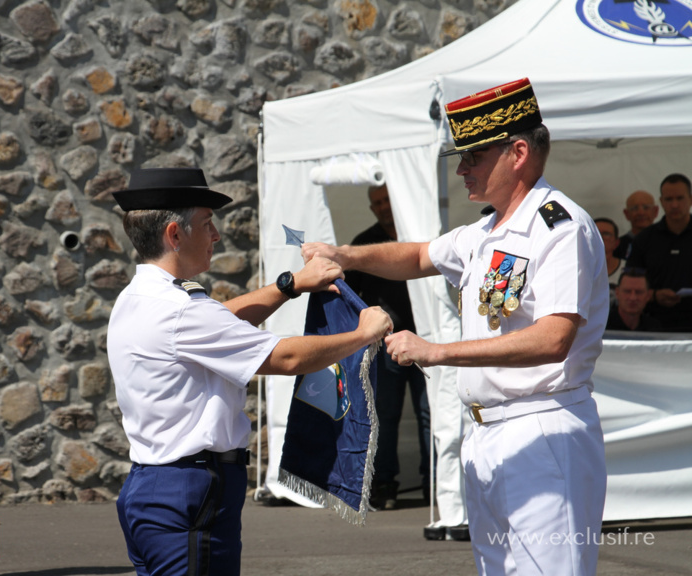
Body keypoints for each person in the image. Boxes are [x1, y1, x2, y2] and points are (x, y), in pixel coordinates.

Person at [302, 78, 609, 576]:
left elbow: (555, 338)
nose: (462, 169)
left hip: (541, 429)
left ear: (518, 152)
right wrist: (344, 255)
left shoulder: (559, 227)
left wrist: (437, 351)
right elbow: (419, 254)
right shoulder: (487, 230)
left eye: (474, 157)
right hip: (488, 431)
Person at [106, 167, 392, 576]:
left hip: (154, 486)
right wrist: (362, 334)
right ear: (175, 234)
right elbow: (286, 358)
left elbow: (218, 321)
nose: (217, 235)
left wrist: (290, 285)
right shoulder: (181, 310)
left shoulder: (139, 297)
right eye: (207, 224)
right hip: (188, 491)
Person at [346, 183, 430, 510]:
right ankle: (384, 485)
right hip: (387, 345)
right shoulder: (364, 244)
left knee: (429, 413)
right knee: (384, 415)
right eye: (376, 203)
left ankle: (434, 483)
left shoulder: (421, 233)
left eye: (386, 200)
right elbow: (350, 296)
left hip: (427, 340)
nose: (382, 207)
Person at [626, 173, 692, 332]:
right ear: (661, 202)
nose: (674, 205)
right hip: (655, 324)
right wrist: (654, 295)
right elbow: (630, 280)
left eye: (680, 198)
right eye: (669, 199)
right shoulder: (644, 239)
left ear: (690, 199)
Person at [614, 190, 658, 260]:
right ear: (626, 214)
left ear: (655, 211)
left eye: (646, 207)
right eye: (634, 208)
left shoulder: (667, 242)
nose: (641, 213)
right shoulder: (617, 247)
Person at [594, 217, 624, 305]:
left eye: (606, 234)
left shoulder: (626, 269)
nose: (601, 238)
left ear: (616, 242)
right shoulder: (578, 269)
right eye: (596, 234)